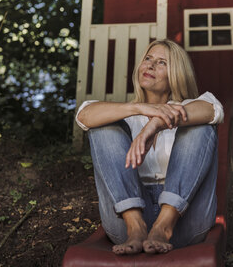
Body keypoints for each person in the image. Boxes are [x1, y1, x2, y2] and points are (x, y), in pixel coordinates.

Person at [75, 39, 224, 255]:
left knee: (200, 127)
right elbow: (84, 115)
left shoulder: (193, 107)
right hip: (125, 225)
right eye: (148, 59)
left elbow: (214, 111)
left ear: (177, 74)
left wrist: (155, 124)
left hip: (187, 219)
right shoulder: (126, 116)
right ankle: (135, 226)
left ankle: (163, 226)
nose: (151, 65)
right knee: (101, 126)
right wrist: (138, 107)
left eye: (162, 62)